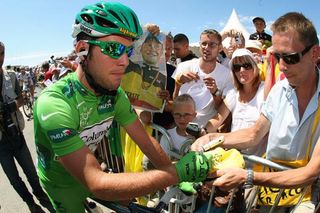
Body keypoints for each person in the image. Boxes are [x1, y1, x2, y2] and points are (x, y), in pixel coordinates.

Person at [33, 2, 211, 212]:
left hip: (90, 171)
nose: (125, 61)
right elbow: (97, 183)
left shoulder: (114, 95)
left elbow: (146, 142)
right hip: (63, 185)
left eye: (128, 50)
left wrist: (170, 170)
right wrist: (177, 173)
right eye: (114, 49)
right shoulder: (53, 103)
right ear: (82, 49)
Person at [192, 12, 320, 212]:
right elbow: (254, 134)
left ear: (314, 53)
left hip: (309, 196)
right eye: (277, 57)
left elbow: (310, 173)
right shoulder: (279, 89)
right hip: (271, 192)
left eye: (290, 58)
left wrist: (249, 176)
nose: (282, 66)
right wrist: (214, 138)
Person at [0, 42, 53, 213]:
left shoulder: (12, 76)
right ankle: (30, 203)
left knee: (31, 171)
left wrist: (11, 106)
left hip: (16, 134)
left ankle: (41, 195)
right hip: (1, 144)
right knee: (14, 179)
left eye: (1, 53)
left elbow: (22, 99)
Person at [172, 29, 234, 128]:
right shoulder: (183, 66)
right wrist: (178, 82)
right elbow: (175, 101)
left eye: (212, 45)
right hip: (182, 129)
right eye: (204, 44)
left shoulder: (227, 75)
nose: (207, 48)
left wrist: (215, 92)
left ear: (220, 48)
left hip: (206, 130)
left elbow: (222, 110)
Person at [122, 32, 167, 111]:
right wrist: (145, 30)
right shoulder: (128, 65)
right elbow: (129, 44)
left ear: (162, 52)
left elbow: (160, 107)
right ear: (140, 48)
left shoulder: (163, 77)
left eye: (157, 47)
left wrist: (164, 101)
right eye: (149, 45)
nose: (153, 49)